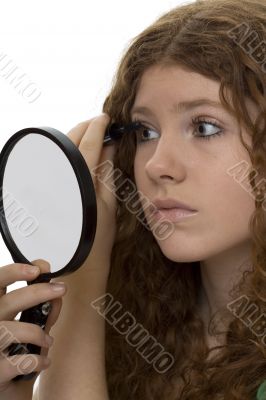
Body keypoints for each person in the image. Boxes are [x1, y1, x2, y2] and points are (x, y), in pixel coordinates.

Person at [0, 0, 265, 398]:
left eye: (205, 126)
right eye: (146, 132)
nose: (158, 165)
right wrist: (14, 391)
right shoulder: (134, 332)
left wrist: (83, 282)